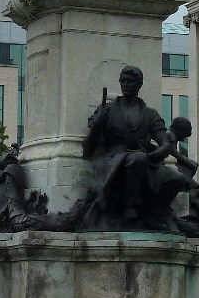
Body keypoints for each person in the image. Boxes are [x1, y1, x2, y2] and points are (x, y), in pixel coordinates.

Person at [82, 66, 191, 230]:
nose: (125, 84)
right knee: (137, 159)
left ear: (139, 84)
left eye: (130, 81)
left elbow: (165, 145)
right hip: (113, 158)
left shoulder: (150, 114)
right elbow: (87, 149)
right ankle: (131, 209)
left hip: (144, 158)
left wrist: (151, 156)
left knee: (178, 179)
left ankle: (153, 212)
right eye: (123, 81)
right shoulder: (107, 110)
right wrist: (98, 123)